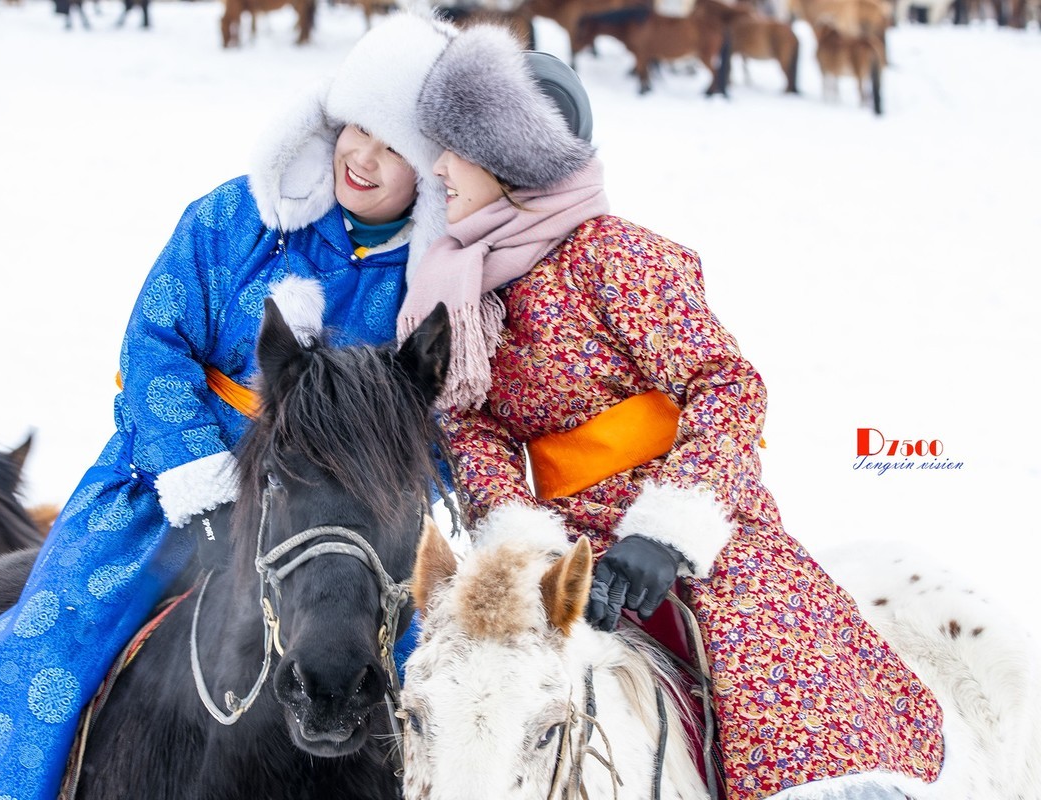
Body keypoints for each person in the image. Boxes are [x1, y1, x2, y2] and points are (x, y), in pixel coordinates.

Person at [397, 26, 945, 800]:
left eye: (455, 149)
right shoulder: (461, 286)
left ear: (514, 157)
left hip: (691, 540)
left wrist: (665, 533)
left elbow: (726, 385)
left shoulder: (615, 256)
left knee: (776, 689)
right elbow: (473, 427)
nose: (439, 169)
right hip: (570, 551)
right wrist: (522, 539)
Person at [0, 13, 460, 800]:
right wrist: (197, 471)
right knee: (35, 659)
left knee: (441, 708)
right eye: (359, 130)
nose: (366, 158)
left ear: (427, 168)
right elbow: (154, 341)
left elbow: (449, 406)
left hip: (351, 527)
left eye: (395, 149)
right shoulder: (235, 218)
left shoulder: (436, 279)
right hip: (174, 489)